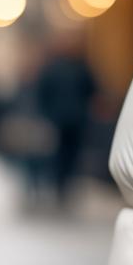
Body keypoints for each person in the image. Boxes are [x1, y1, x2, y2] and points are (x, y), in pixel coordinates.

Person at [36, 30, 97, 205]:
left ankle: (64, 185)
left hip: (71, 119)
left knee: (68, 153)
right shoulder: (61, 68)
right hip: (64, 119)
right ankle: (61, 185)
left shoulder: (73, 67)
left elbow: (90, 90)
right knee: (63, 153)